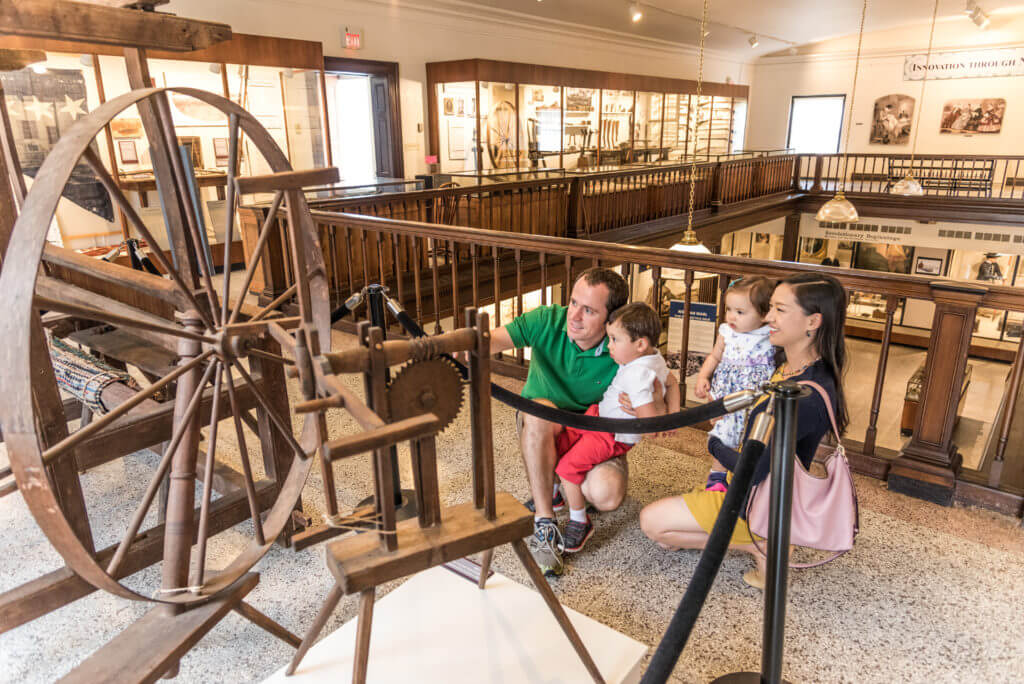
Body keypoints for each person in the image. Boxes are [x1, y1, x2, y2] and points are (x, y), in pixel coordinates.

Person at [639, 273, 848, 589]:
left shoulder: (803, 394)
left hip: (758, 496)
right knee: (669, 529)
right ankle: (763, 538)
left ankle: (763, 542)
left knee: (652, 524)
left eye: (779, 309)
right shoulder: (793, 365)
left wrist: (714, 446)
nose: (768, 317)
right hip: (763, 489)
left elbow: (753, 472)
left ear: (813, 321)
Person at [489, 267, 680, 577]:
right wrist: (443, 348)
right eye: (573, 302)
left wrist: (658, 408)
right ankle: (545, 519)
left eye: (588, 310)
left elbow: (665, 385)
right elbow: (487, 341)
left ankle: (557, 482)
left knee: (607, 497)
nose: (573, 316)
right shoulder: (548, 319)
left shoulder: (625, 347)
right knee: (538, 414)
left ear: (611, 319)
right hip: (545, 426)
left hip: (596, 431)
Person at [556, 302, 674, 554]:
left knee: (566, 469)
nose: (608, 345)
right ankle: (555, 493)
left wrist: (653, 418)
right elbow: (673, 383)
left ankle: (579, 521)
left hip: (610, 434)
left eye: (614, 339)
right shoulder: (654, 358)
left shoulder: (638, 375)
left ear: (639, 344)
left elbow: (648, 426)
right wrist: (672, 416)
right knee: (559, 441)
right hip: (598, 417)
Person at [693, 277, 775, 493]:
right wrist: (703, 376)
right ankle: (717, 476)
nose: (731, 316)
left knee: (752, 436)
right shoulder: (726, 332)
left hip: (756, 394)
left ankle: (745, 477)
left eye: (740, 312)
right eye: (729, 309)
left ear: (765, 314)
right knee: (724, 432)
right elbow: (714, 356)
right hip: (728, 393)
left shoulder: (770, 334)